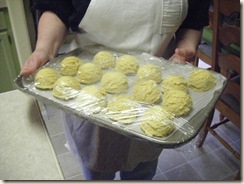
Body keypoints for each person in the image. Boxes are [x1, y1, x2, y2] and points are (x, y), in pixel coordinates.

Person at [21, 0, 211, 180]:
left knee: (142, 169)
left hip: (154, 100)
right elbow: (56, 6)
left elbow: (194, 17)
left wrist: (186, 46)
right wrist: (44, 49)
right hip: (89, 94)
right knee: (97, 170)